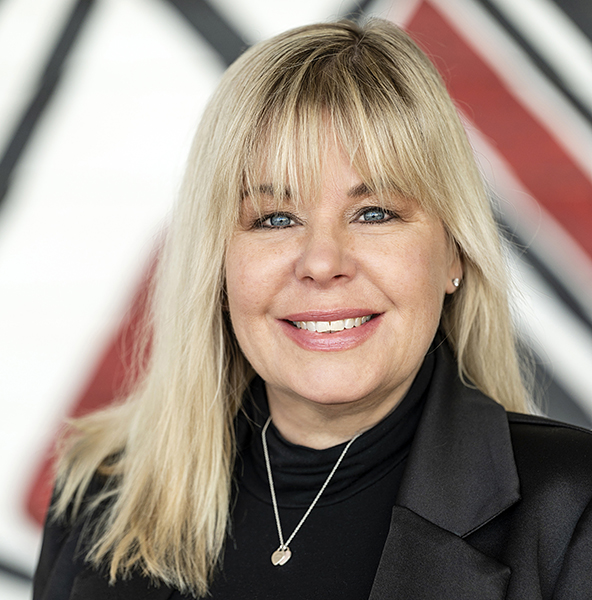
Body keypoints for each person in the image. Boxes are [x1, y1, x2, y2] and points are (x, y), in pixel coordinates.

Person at [33, 18, 592, 600]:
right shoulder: (97, 499)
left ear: (454, 252)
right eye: (275, 218)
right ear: (217, 265)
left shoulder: (574, 510)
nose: (322, 262)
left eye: (374, 212)